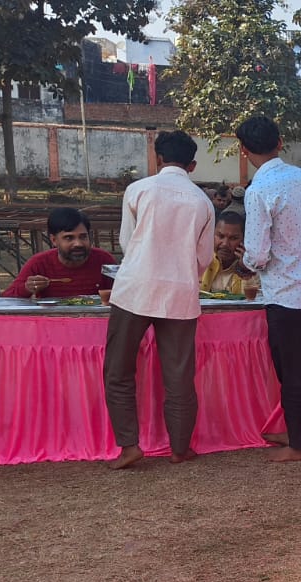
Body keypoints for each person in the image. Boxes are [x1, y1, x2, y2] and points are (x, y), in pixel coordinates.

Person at [103, 129, 215, 470]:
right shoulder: (203, 201)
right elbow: (205, 257)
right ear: (193, 165)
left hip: (134, 288)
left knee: (118, 371)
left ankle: (129, 446)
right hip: (180, 293)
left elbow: (127, 241)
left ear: (158, 158)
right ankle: (179, 449)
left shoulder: (138, 189)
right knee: (179, 376)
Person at [237, 115, 301, 462]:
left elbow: (258, 253)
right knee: (299, 367)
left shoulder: (258, 190)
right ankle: (295, 431)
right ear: (279, 142)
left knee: (291, 371)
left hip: (285, 293)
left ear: (244, 151)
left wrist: (245, 266)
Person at [2, 208, 116, 298]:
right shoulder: (39, 263)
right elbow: (7, 298)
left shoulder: (104, 260)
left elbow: (124, 295)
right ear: (54, 240)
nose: (78, 244)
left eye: (83, 237)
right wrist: (27, 288)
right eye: (69, 238)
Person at [201, 211, 256, 295]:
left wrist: (244, 270)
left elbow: (253, 299)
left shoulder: (254, 263)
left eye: (233, 238)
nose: (225, 244)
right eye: (220, 236)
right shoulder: (201, 261)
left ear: (244, 240)